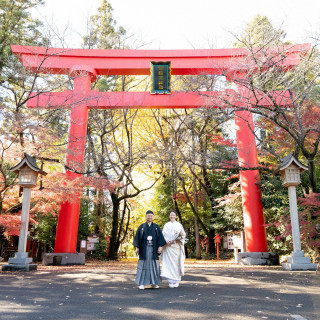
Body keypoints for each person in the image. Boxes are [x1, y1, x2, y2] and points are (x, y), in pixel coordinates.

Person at [133, 210, 166, 290]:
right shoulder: (141, 227)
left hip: (154, 249)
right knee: (143, 265)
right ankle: (141, 283)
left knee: (154, 265)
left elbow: (160, 238)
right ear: (146, 216)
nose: (150, 217)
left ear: (153, 217)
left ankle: (155, 283)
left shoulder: (156, 227)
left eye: (151, 216)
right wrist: (137, 247)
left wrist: (160, 247)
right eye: (148, 215)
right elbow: (137, 238)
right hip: (144, 249)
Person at [160, 211, 186, 288]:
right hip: (168, 247)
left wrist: (177, 239)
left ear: (176, 216)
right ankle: (170, 281)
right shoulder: (166, 225)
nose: (172, 216)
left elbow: (183, 235)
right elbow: (163, 235)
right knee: (169, 263)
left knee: (176, 263)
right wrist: (166, 241)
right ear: (169, 216)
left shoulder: (179, 225)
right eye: (171, 215)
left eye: (173, 215)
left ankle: (177, 280)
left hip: (176, 246)